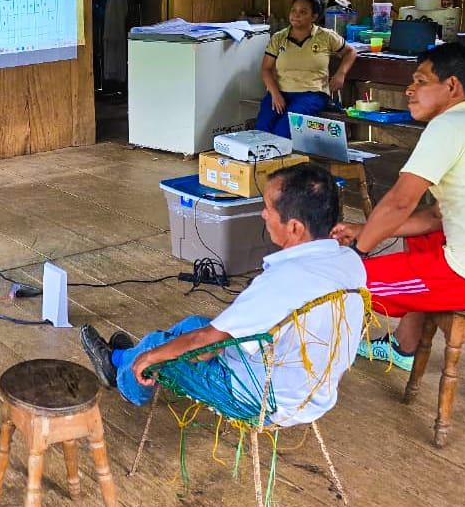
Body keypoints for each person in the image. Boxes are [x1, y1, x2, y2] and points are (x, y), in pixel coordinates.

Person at [80, 163, 366, 425]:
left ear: (294, 227)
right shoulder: (349, 261)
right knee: (193, 324)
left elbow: (206, 342)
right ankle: (122, 359)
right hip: (312, 390)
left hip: (262, 399)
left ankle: (123, 375)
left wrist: (153, 356)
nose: (264, 214)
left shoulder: (282, 282)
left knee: (157, 348)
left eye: (268, 208)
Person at [331, 43, 465, 370]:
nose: (409, 89)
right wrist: (365, 229)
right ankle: (405, 346)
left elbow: (400, 202)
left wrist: (357, 252)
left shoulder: (449, 126)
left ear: (452, 86)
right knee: (424, 237)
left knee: (343, 283)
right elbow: (434, 217)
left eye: (420, 81)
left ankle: (311, 364)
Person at [256, 0, 358, 139]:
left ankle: (285, 154)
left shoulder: (326, 36)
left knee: (283, 132)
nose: (296, 15)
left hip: (312, 94)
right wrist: (275, 94)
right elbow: (266, 69)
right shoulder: (279, 38)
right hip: (279, 92)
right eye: (293, 10)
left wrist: (341, 74)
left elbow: (350, 52)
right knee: (262, 131)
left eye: (303, 12)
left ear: (314, 17)